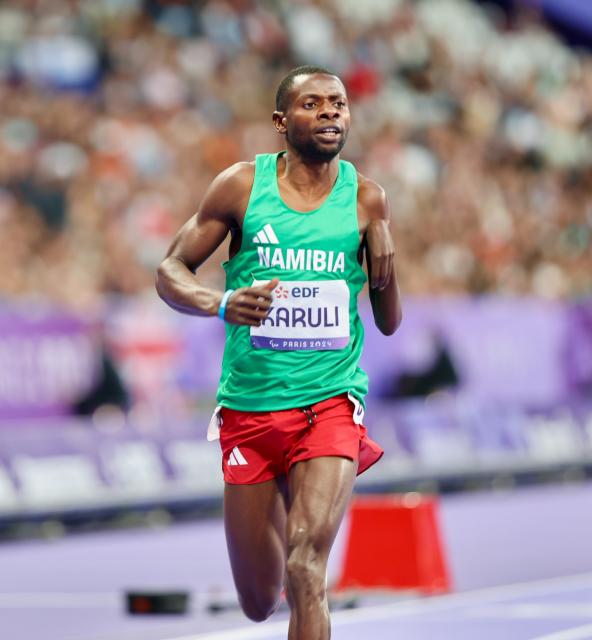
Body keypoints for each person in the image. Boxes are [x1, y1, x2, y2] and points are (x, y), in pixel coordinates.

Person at [155, 65, 402, 639]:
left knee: (306, 568)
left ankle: (304, 534)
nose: (330, 113)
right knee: (259, 599)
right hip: (251, 408)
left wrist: (386, 261)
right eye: (313, 104)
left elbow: (389, 324)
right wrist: (220, 304)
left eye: (338, 104)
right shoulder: (241, 186)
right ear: (280, 120)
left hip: (330, 403)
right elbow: (169, 269)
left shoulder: (367, 199)